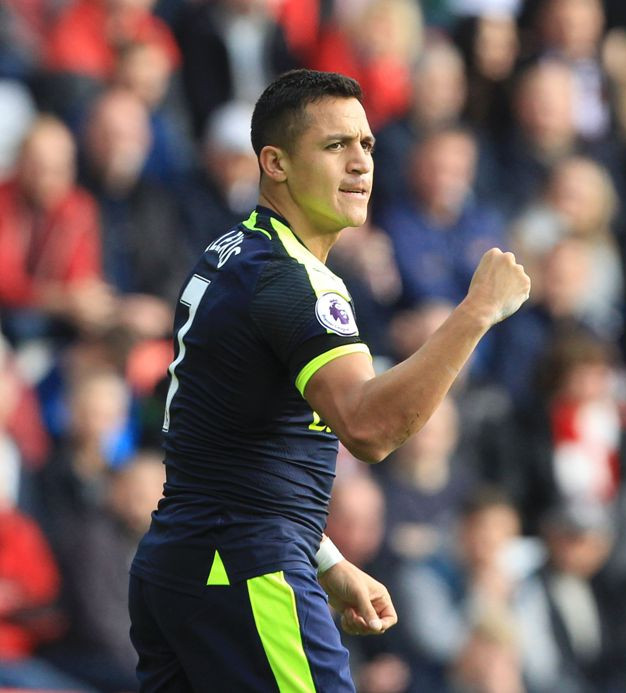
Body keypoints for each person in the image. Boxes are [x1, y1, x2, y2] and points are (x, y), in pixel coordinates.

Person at [128, 69, 531, 691]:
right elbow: (370, 429)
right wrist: (476, 312)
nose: (360, 163)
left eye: (366, 144)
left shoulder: (232, 252)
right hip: (248, 568)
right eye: (335, 145)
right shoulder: (290, 280)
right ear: (276, 163)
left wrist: (326, 558)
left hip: (181, 563)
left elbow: (230, 448)